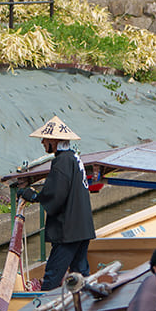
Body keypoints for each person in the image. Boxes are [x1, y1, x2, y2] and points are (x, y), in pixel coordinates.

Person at [16, 115, 95, 291]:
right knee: (80, 272)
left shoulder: (62, 161)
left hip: (69, 230)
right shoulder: (74, 157)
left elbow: (56, 194)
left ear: (54, 140)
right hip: (82, 227)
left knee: (53, 274)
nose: (43, 142)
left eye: (45, 139)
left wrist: (34, 196)